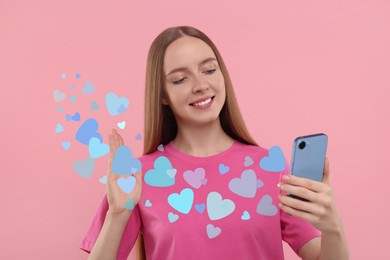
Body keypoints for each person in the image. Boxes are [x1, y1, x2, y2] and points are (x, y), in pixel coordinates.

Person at [80, 26, 349, 259]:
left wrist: (332, 226)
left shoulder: (272, 169)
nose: (201, 85)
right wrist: (117, 213)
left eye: (209, 70)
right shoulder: (136, 177)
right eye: (180, 78)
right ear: (162, 94)